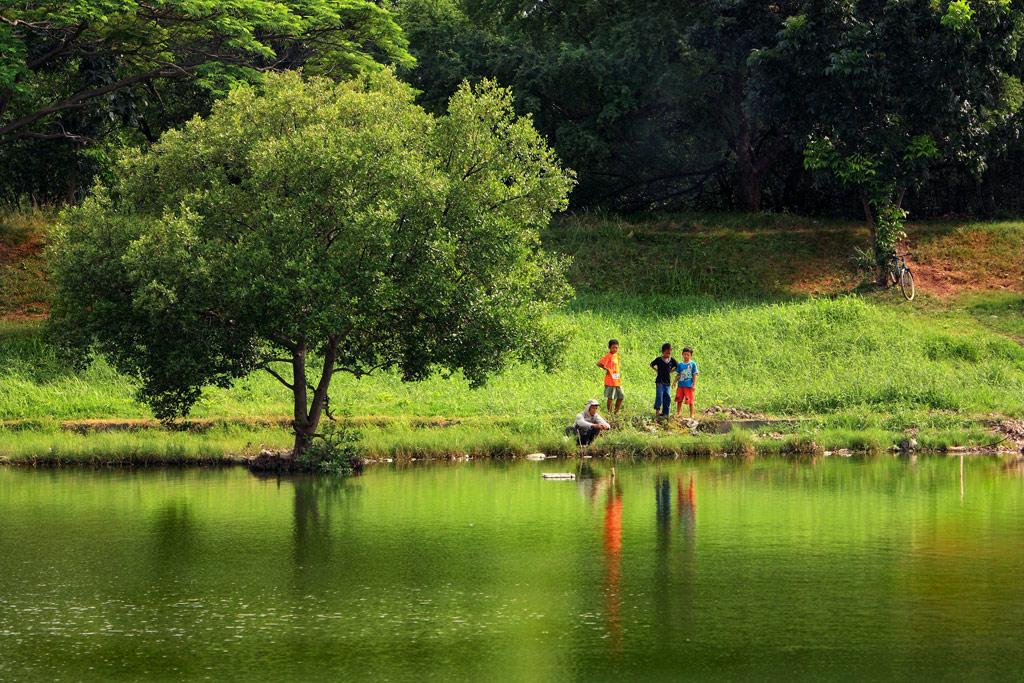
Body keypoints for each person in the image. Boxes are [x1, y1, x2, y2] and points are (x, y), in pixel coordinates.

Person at [649, 343, 677, 417]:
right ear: (663, 352)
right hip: (659, 381)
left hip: (667, 382)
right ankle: (657, 411)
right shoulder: (659, 359)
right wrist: (656, 370)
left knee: (667, 397)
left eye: (669, 353)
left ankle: (665, 413)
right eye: (666, 353)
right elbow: (651, 364)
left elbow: (677, 366)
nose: (668, 355)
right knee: (659, 396)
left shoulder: (672, 360)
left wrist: (671, 371)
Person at [597, 338, 624, 414]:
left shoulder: (616, 356)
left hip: (617, 380)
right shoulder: (608, 356)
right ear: (609, 347)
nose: (615, 349)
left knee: (621, 396)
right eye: (613, 347)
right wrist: (607, 369)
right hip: (610, 380)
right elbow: (599, 363)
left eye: (616, 347)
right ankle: (610, 413)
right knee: (611, 398)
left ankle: (615, 412)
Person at [674, 346, 699, 419]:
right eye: (685, 354)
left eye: (688, 355)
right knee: (679, 400)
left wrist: (694, 385)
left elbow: (694, 375)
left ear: (691, 355)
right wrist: (675, 382)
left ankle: (691, 414)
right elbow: (678, 374)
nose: (686, 356)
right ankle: (678, 413)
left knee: (690, 400)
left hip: (689, 385)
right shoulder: (680, 365)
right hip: (681, 385)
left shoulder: (693, 364)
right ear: (682, 354)